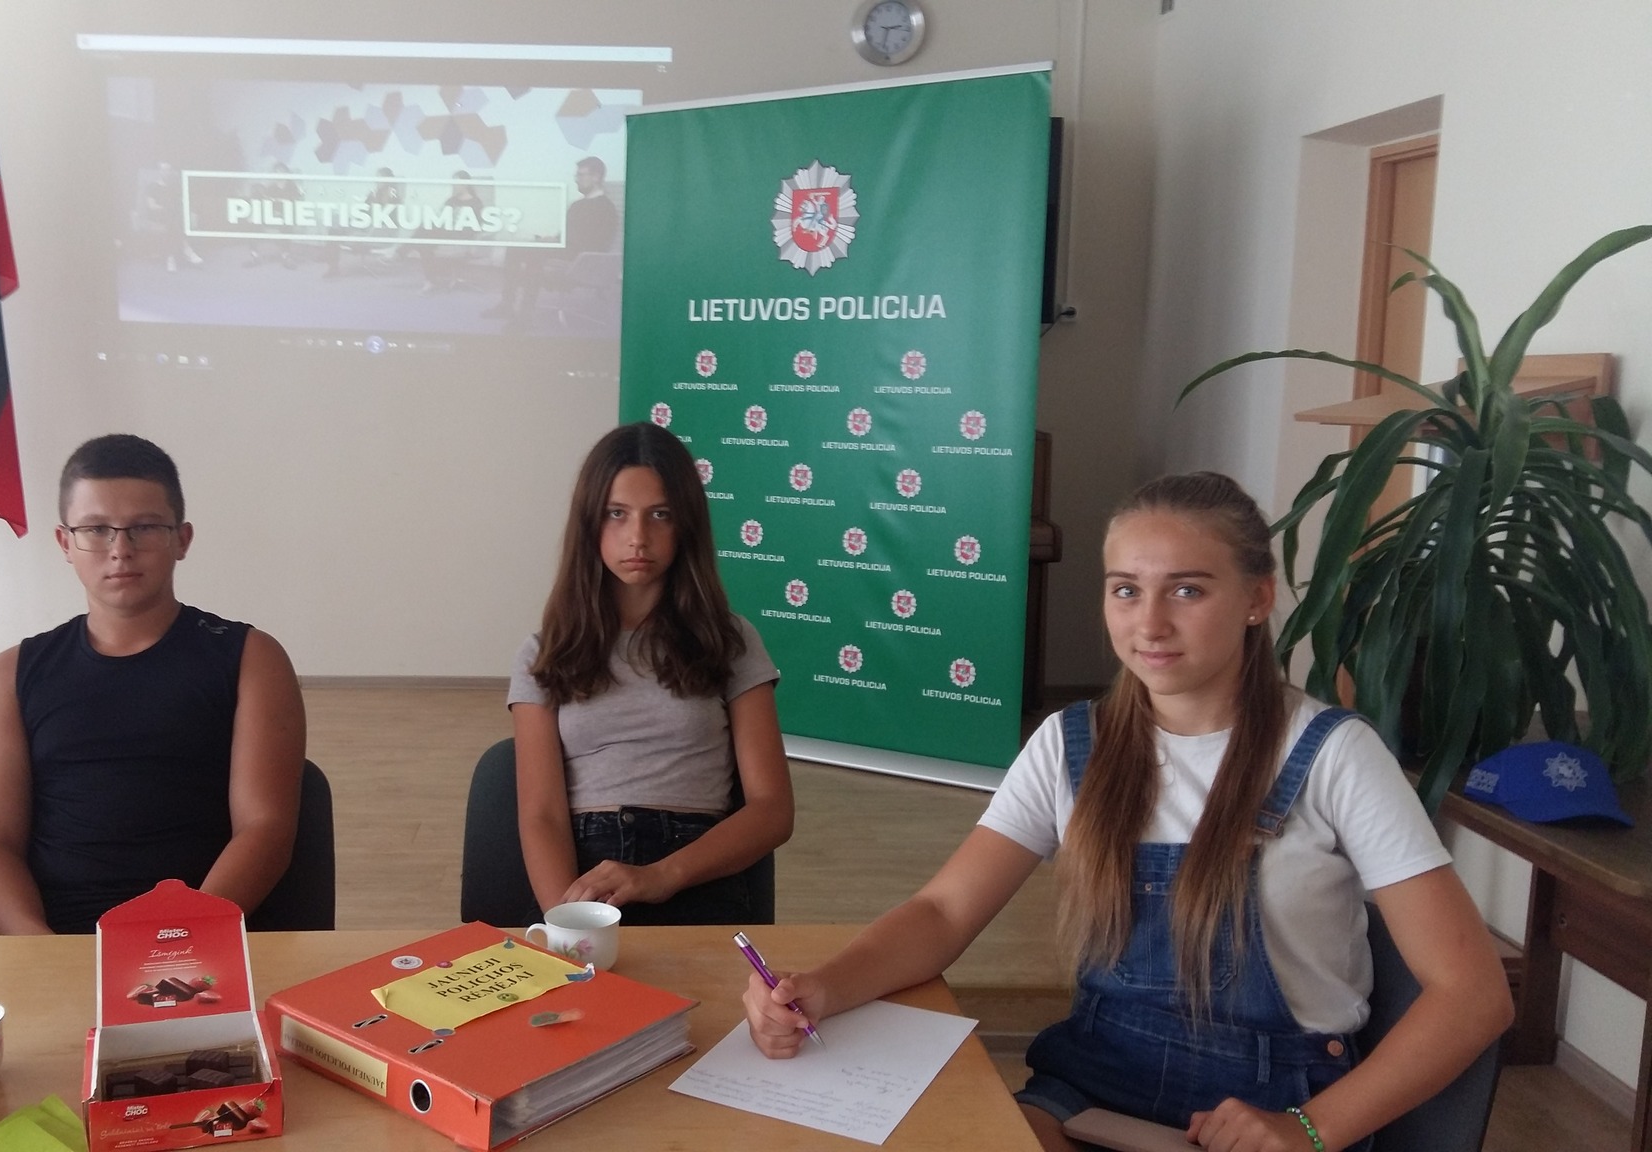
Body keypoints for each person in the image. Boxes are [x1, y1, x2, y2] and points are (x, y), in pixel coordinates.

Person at [741, 472, 1513, 1152]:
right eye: (1126, 590)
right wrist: (822, 988)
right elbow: (944, 913)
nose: (1149, 624)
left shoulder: (1335, 755)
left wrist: (1310, 1130)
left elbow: (1472, 995)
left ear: (1257, 598)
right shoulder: (1069, 744)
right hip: (1094, 1090)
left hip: (1279, 1108)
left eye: (1188, 590)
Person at [0, 434, 307, 935]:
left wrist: (172, 939)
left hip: (204, 936)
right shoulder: (8, 676)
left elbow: (265, 829)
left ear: (182, 539)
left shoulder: (251, 659)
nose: (120, 550)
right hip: (56, 944)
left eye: (145, 528)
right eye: (96, 529)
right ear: (65, 543)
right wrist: (39, 951)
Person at [508, 422, 793, 924]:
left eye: (660, 515)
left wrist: (662, 875)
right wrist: (569, 923)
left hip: (696, 866)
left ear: (686, 525)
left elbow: (772, 809)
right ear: (589, 523)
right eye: (616, 514)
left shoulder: (730, 641)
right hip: (585, 874)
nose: (638, 537)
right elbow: (542, 816)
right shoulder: (544, 653)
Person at [485, 155, 619, 324]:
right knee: (515, 248)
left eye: (580, 175)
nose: (576, 179)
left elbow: (595, 243)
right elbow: (567, 233)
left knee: (535, 255)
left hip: (584, 257)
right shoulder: (577, 205)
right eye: (576, 175)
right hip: (567, 248)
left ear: (596, 177)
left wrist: (556, 243)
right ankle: (507, 304)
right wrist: (553, 239)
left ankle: (525, 315)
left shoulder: (606, 208)